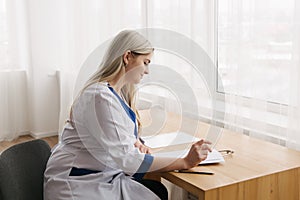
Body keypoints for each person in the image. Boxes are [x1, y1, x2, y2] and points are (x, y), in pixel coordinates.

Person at [44, 30, 211, 200]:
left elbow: (115, 135)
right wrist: (185, 162)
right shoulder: (100, 97)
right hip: (77, 186)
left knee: (157, 190)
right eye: (145, 62)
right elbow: (128, 160)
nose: (147, 71)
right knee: (156, 192)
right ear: (127, 57)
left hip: (97, 177)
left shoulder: (115, 93)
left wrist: (136, 142)